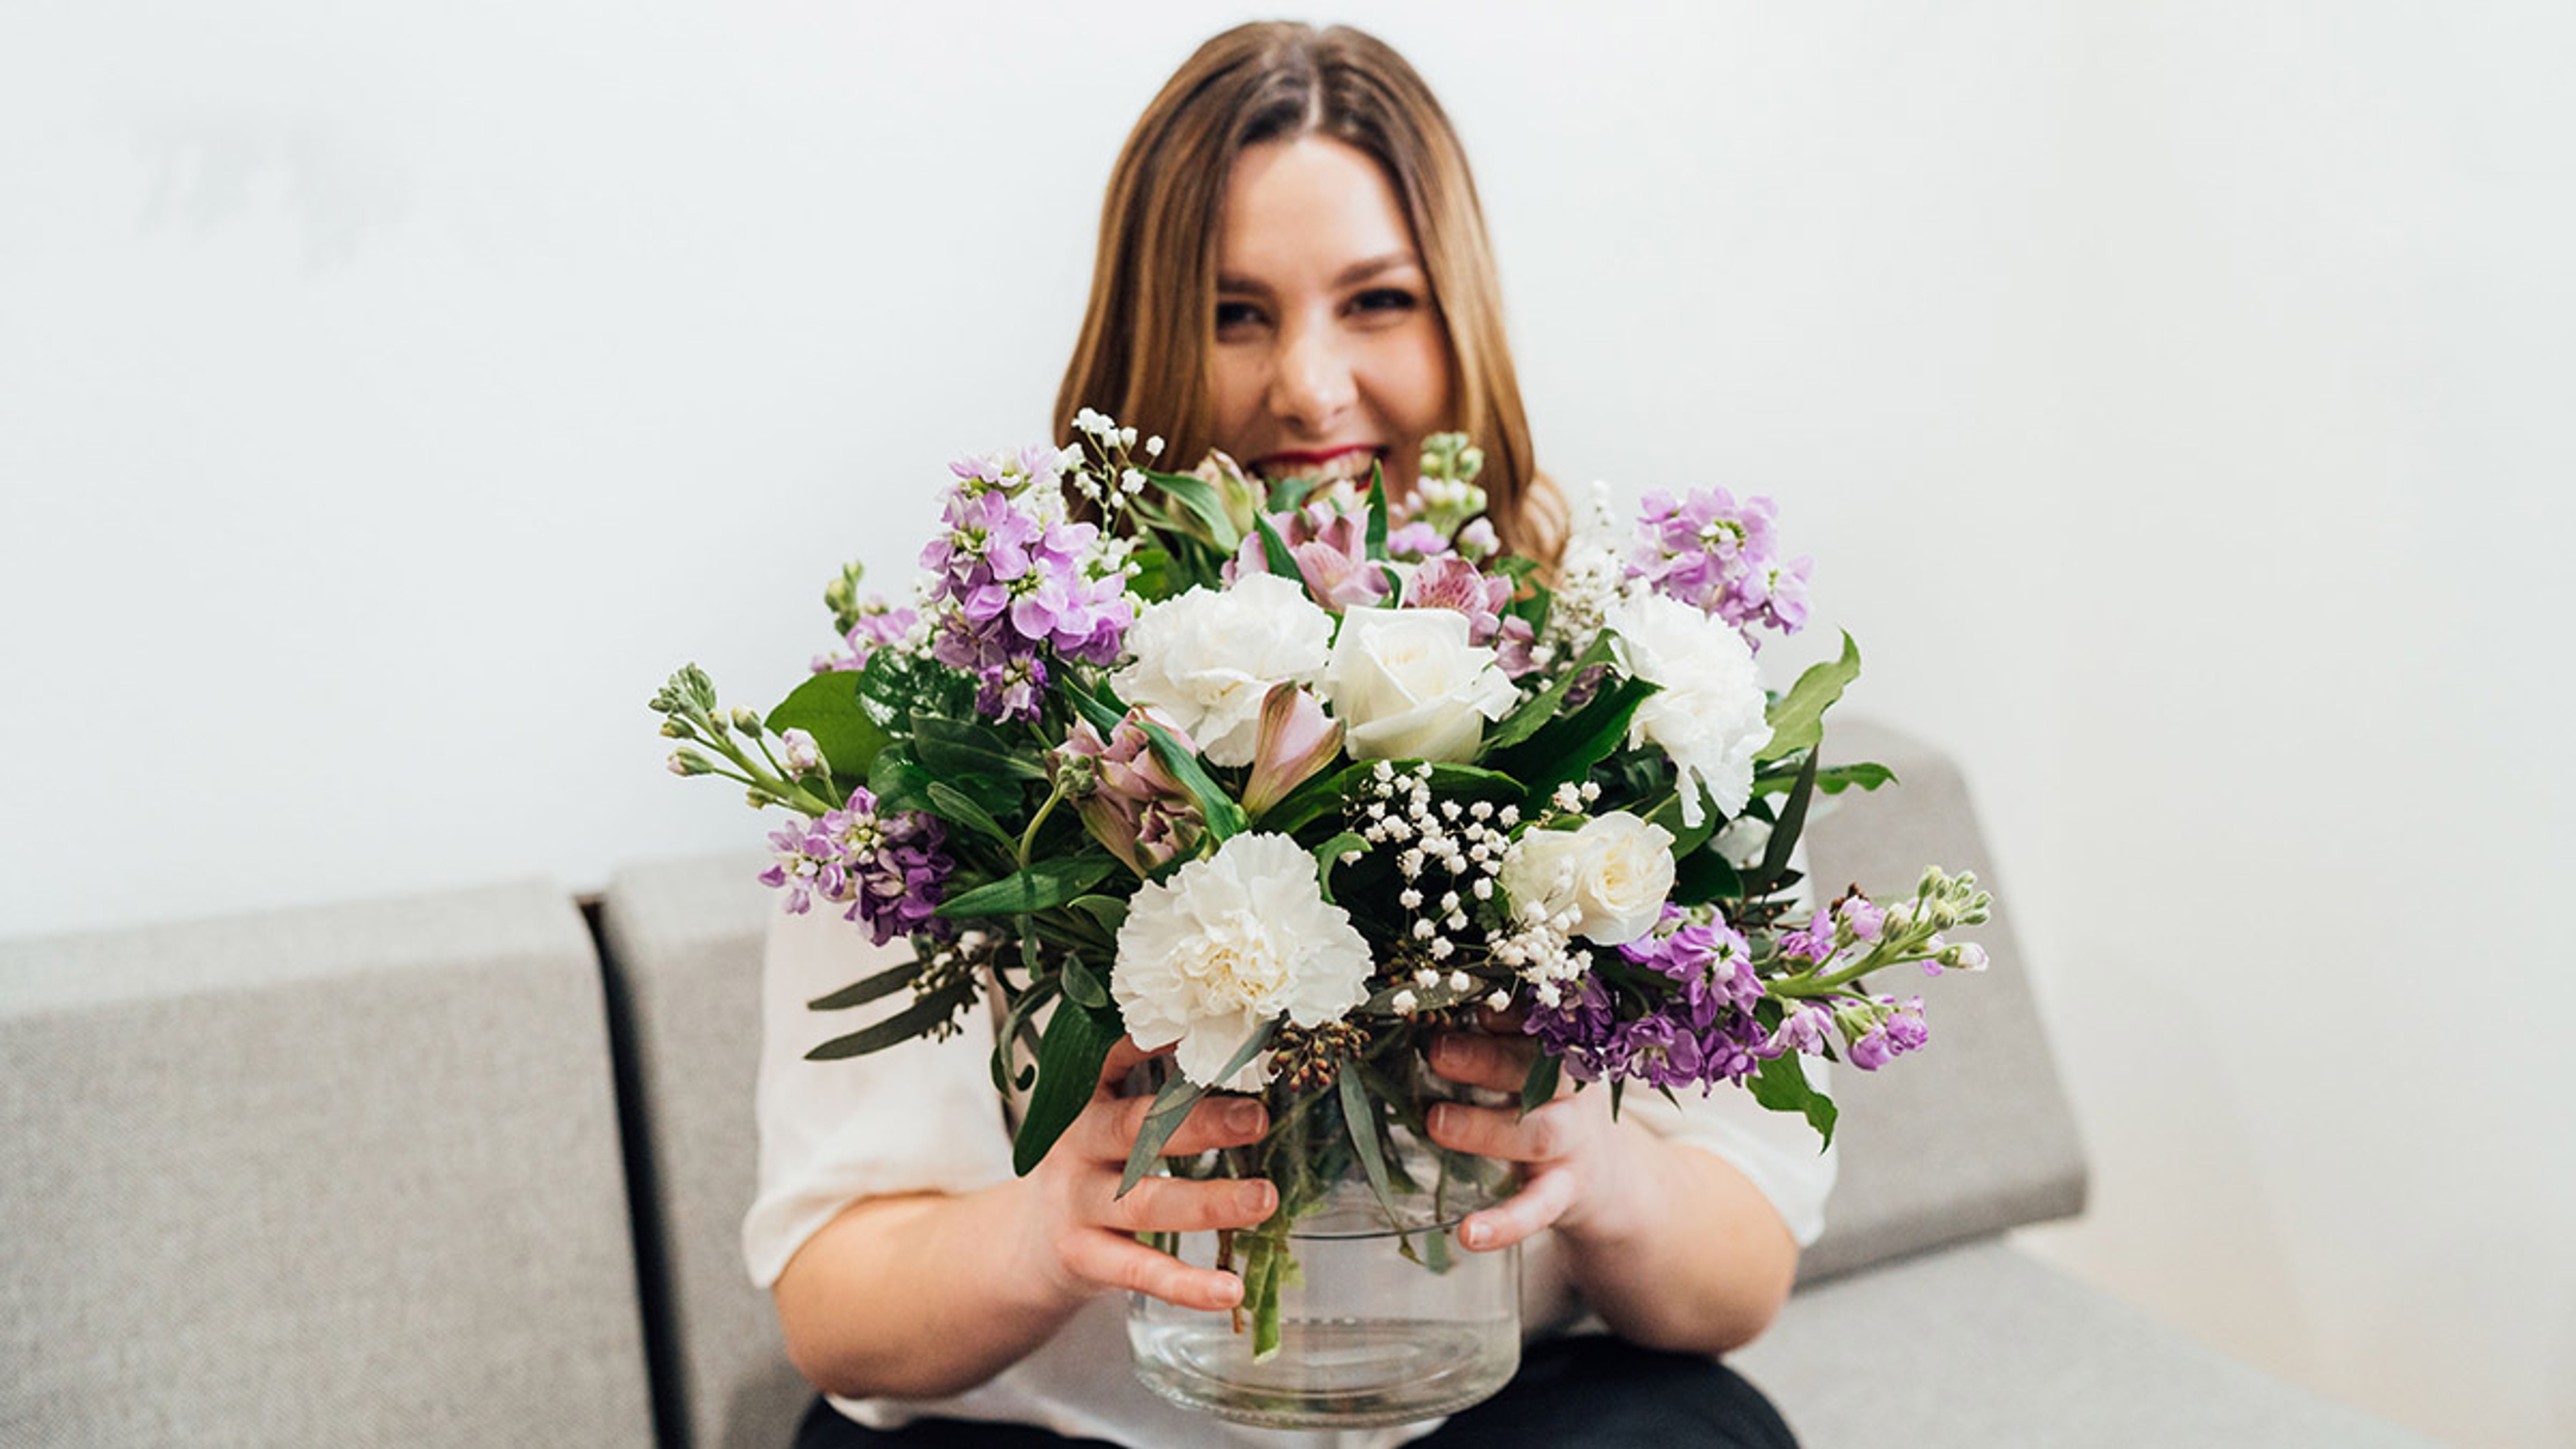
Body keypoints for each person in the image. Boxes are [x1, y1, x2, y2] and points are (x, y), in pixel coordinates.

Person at [749, 22, 1833, 1449]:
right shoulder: (981, 721)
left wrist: (1600, 1169)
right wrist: (1046, 1230)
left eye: (1377, 301)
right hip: (1070, 1431)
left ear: (1460, 319)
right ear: (1147, 340)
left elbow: (1739, 1276)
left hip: (1480, 1416)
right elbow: (834, 1306)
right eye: (1236, 314)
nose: (1312, 390)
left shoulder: (1631, 685)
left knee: (1693, 1427)